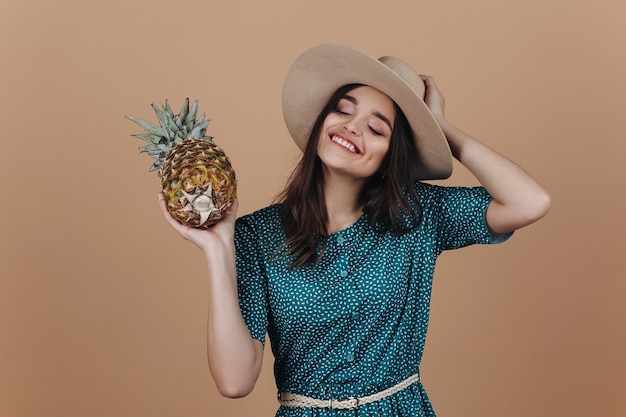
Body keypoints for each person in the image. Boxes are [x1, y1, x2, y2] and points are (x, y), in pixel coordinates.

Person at [157, 44, 551, 416]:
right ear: (320, 122)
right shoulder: (256, 235)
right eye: (343, 111)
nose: (352, 128)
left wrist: (442, 129)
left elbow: (529, 202)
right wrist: (218, 249)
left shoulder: (417, 212)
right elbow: (234, 381)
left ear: (391, 156)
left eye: (377, 129)